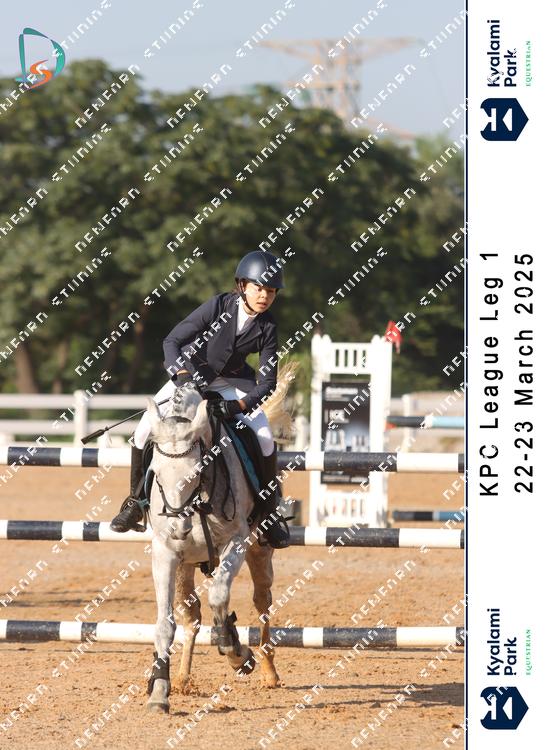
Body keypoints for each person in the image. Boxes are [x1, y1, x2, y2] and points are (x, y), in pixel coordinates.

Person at [109, 250, 290, 549]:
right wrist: (181, 375)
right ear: (242, 285)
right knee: (142, 431)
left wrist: (237, 406)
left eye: (271, 291)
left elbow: (268, 382)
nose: (265, 296)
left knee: (265, 438)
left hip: (232, 384)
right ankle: (136, 503)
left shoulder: (268, 326)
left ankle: (269, 513)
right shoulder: (218, 305)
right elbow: (172, 341)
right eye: (259, 288)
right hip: (190, 375)